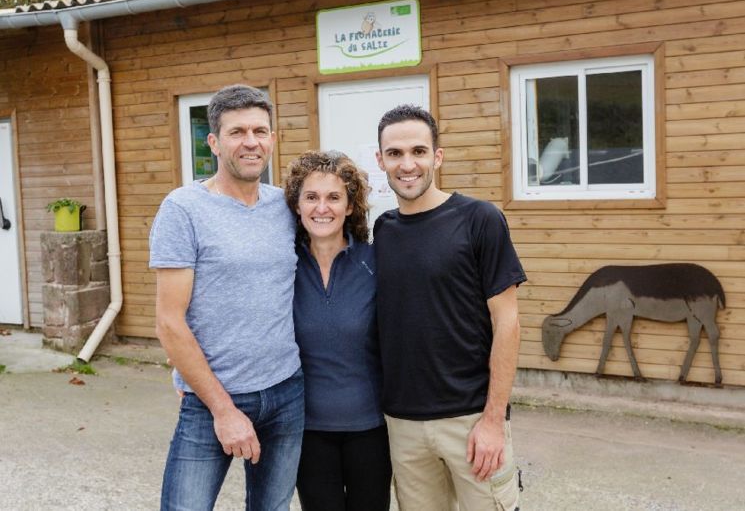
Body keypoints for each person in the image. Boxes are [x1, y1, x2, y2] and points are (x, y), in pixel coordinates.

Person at [149, 84, 304, 510]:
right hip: (211, 401)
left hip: (287, 393)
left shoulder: (286, 207)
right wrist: (223, 410)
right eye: (237, 132)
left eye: (260, 131)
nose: (250, 142)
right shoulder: (183, 209)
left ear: (272, 138)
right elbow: (169, 321)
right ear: (213, 142)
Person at [373, 105, 527, 511]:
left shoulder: (480, 219)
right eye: (395, 153)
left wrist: (494, 420)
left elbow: (507, 322)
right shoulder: (383, 230)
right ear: (380, 160)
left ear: (437, 157)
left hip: (471, 419)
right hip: (402, 423)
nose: (408, 164)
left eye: (419, 151)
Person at [285, 150, 391, 511]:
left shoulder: (375, 262)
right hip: (307, 430)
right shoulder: (282, 265)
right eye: (311, 197)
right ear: (297, 206)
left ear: (349, 206)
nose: (322, 208)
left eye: (334, 197)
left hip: (371, 429)